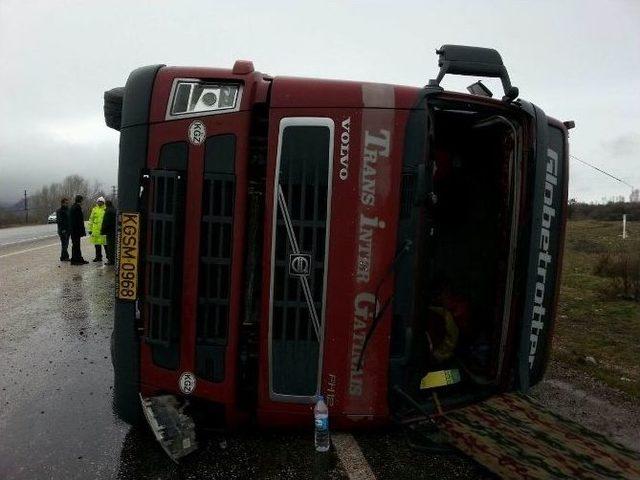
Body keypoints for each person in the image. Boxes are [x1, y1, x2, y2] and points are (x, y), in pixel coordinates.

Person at [69, 195, 88, 265]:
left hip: (74, 230)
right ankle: (75, 260)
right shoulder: (77, 208)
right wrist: (81, 231)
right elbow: (78, 221)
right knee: (76, 245)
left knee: (76, 245)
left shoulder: (73, 207)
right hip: (76, 230)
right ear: (80, 200)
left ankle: (78, 259)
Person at [88, 197, 107, 262]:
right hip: (95, 231)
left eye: (100, 201)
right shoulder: (94, 209)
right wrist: (90, 229)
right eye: (98, 201)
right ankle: (98, 257)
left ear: (103, 202)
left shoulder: (105, 209)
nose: (99, 203)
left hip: (103, 230)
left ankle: (109, 257)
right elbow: (91, 219)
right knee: (97, 245)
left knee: (105, 245)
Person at [101, 199, 117, 265]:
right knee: (113, 246)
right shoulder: (114, 210)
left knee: (110, 246)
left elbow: (105, 222)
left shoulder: (108, 211)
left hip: (109, 231)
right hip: (114, 230)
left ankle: (111, 261)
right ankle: (114, 260)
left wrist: (102, 230)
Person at [55, 197, 71, 261]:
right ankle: (65, 257)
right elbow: (59, 221)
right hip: (63, 230)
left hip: (68, 229)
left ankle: (63, 257)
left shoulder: (68, 210)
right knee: (64, 244)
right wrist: (62, 230)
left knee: (66, 244)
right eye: (66, 203)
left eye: (67, 203)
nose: (67, 204)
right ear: (62, 203)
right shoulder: (59, 211)